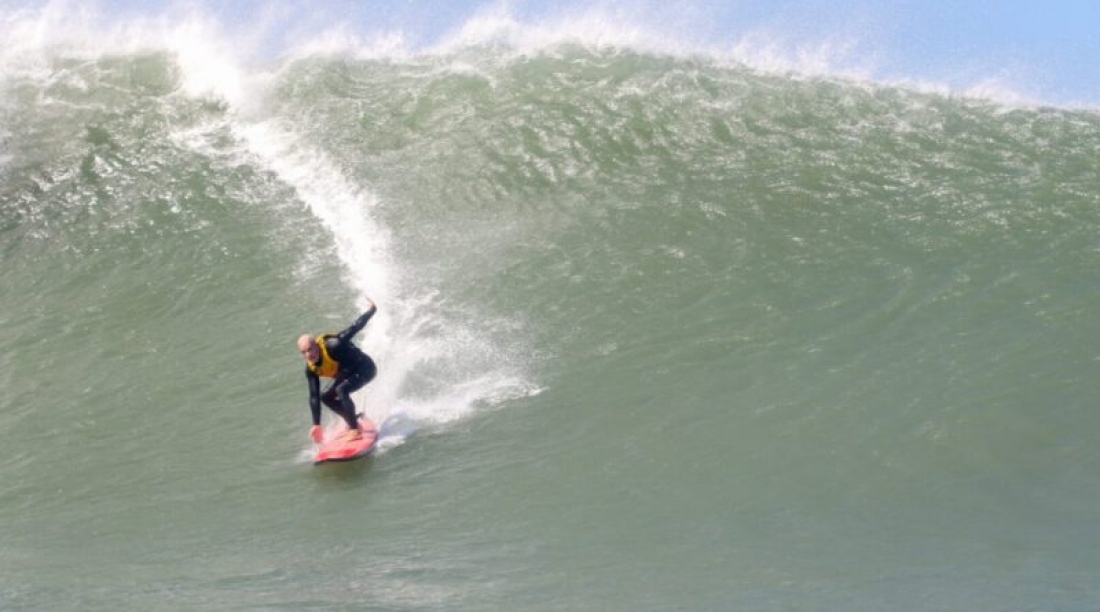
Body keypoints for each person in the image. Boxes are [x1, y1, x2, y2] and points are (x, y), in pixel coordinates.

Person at [297, 299, 378, 443]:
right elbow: (314, 396)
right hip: (347, 374)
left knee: (342, 389)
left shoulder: (333, 345)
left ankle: (354, 429)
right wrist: (316, 424)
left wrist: (371, 310)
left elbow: (354, 328)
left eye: (311, 349)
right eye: (304, 352)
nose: (309, 355)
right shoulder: (311, 369)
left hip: (365, 368)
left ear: (316, 345)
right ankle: (353, 419)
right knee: (325, 396)